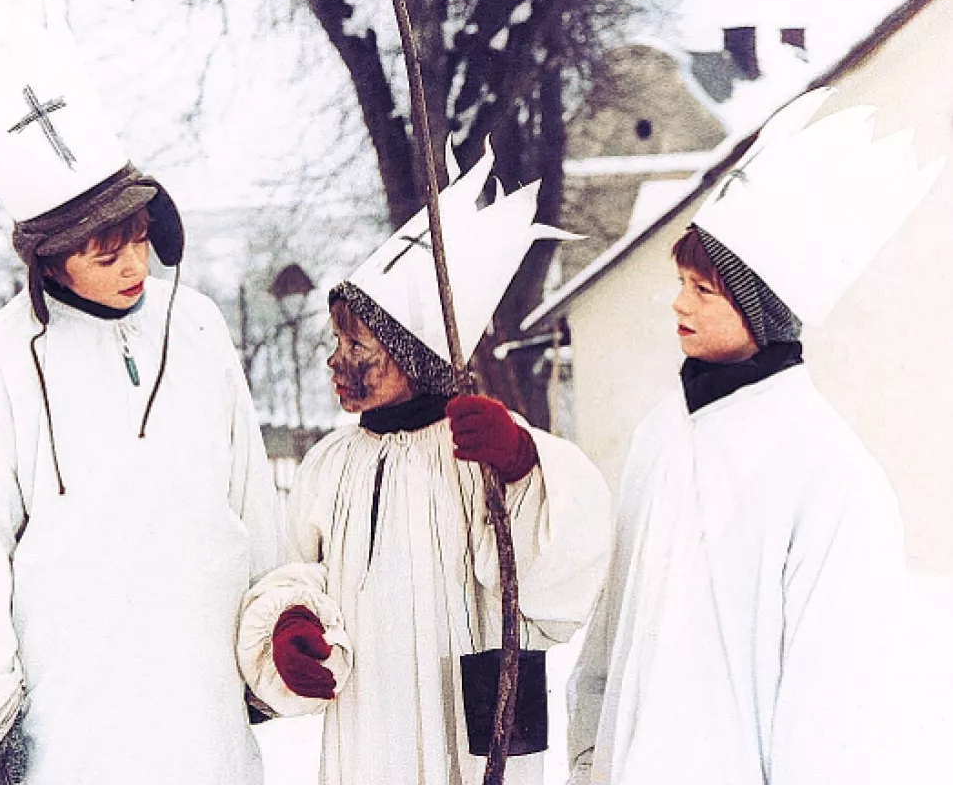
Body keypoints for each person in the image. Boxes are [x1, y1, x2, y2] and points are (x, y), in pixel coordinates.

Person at [0, 19, 280, 785]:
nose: (134, 263)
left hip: (203, 698)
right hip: (77, 708)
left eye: (140, 237)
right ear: (51, 254)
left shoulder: (196, 323)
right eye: (105, 249)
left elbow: (250, 491)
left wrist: (271, 631)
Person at [565, 88, 942, 785]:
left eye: (702, 291)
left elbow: (830, 702)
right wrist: (591, 757)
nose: (676, 303)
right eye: (679, 281)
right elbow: (610, 636)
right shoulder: (662, 433)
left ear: (760, 309)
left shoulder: (826, 471)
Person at [235, 139, 613, 785]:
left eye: (357, 344)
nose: (336, 360)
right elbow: (300, 573)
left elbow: (558, 569)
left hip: (472, 733)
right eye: (336, 340)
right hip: (368, 733)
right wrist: (291, 625)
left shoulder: (478, 444)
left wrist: (523, 464)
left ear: (414, 359)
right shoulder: (330, 465)